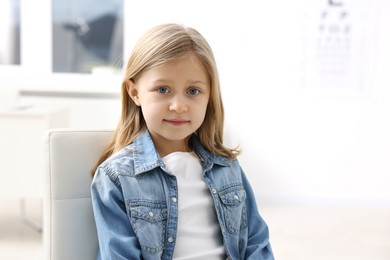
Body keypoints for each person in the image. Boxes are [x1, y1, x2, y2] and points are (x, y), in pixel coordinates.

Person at [91, 23, 274, 260]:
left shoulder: (227, 167)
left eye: (193, 91)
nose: (178, 106)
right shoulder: (116, 177)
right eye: (163, 89)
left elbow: (256, 243)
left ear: (210, 96)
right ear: (135, 92)